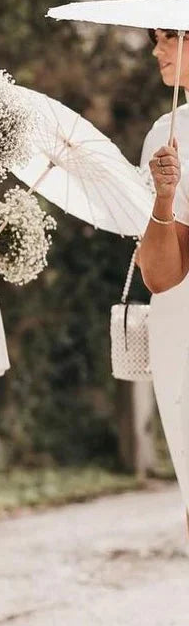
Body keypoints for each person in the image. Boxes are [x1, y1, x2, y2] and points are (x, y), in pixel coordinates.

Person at [139, 29, 189, 519]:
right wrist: (164, 199)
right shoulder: (167, 135)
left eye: (169, 38)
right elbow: (161, 277)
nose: (157, 51)